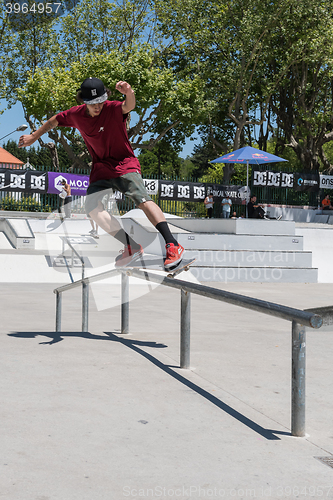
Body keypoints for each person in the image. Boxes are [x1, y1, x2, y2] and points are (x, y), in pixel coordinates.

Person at [19, 77, 184, 270]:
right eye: (92, 104)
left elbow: (128, 106)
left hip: (124, 164)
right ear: (84, 102)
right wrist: (33, 136)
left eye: (100, 101)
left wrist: (129, 92)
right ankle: (131, 246)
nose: (97, 107)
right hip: (101, 169)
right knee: (92, 208)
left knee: (142, 199)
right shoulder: (76, 114)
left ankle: (172, 244)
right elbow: (53, 120)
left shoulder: (112, 108)